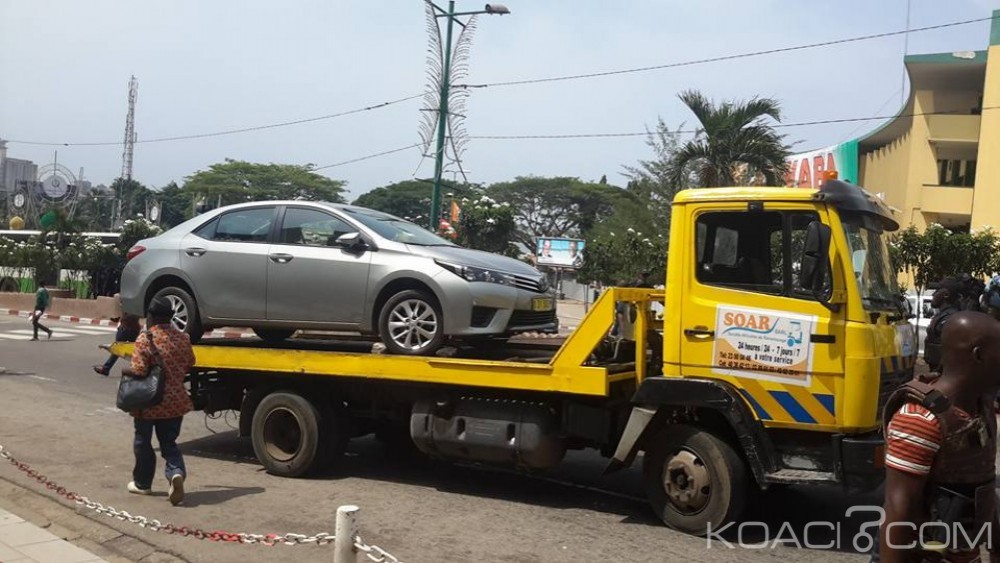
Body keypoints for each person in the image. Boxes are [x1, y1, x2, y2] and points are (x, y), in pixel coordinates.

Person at [877, 311, 1000, 563]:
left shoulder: (981, 409)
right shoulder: (919, 419)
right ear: (979, 355)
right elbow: (898, 513)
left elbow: (983, 486)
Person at [123, 296, 196, 506]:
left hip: (148, 403)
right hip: (175, 402)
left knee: (143, 442)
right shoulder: (183, 338)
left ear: (151, 316)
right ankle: (176, 473)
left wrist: (125, 369)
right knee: (169, 443)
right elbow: (191, 362)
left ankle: (142, 483)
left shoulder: (146, 339)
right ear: (171, 316)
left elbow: (138, 370)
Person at [923, 278, 961, 374]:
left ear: (946, 295)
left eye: (937, 291)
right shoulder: (942, 315)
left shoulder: (950, 318)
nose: (933, 294)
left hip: (943, 374)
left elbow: (950, 351)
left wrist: (938, 372)